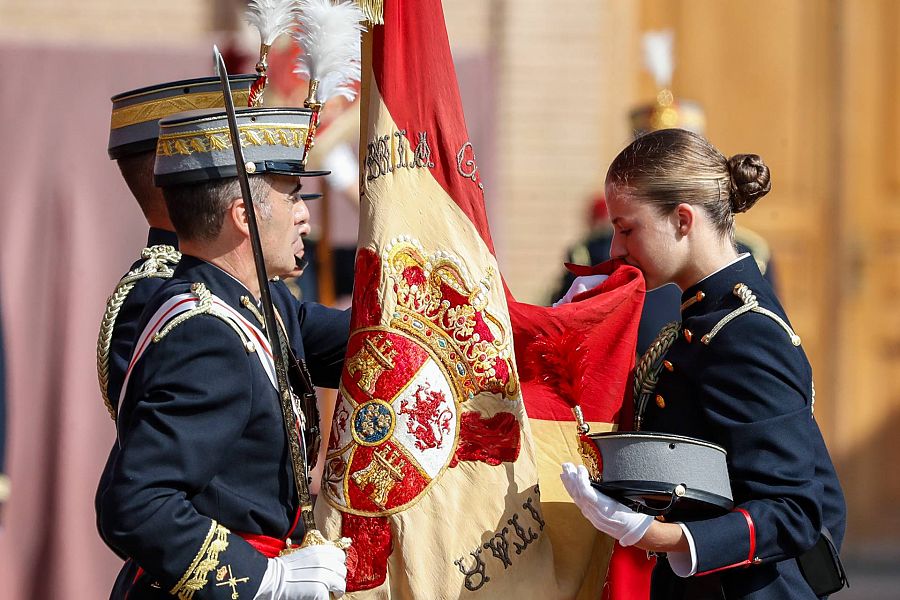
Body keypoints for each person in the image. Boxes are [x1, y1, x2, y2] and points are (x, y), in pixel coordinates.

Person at [559, 128, 846, 599]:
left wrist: (659, 536)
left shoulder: (745, 332)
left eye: (627, 228)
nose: (614, 250)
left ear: (683, 220)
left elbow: (797, 510)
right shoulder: (703, 316)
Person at [98, 107, 350, 599]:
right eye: (292, 195)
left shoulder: (264, 300)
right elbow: (135, 502)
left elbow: (353, 341)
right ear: (244, 217)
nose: (304, 213)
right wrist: (263, 580)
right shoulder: (207, 334)